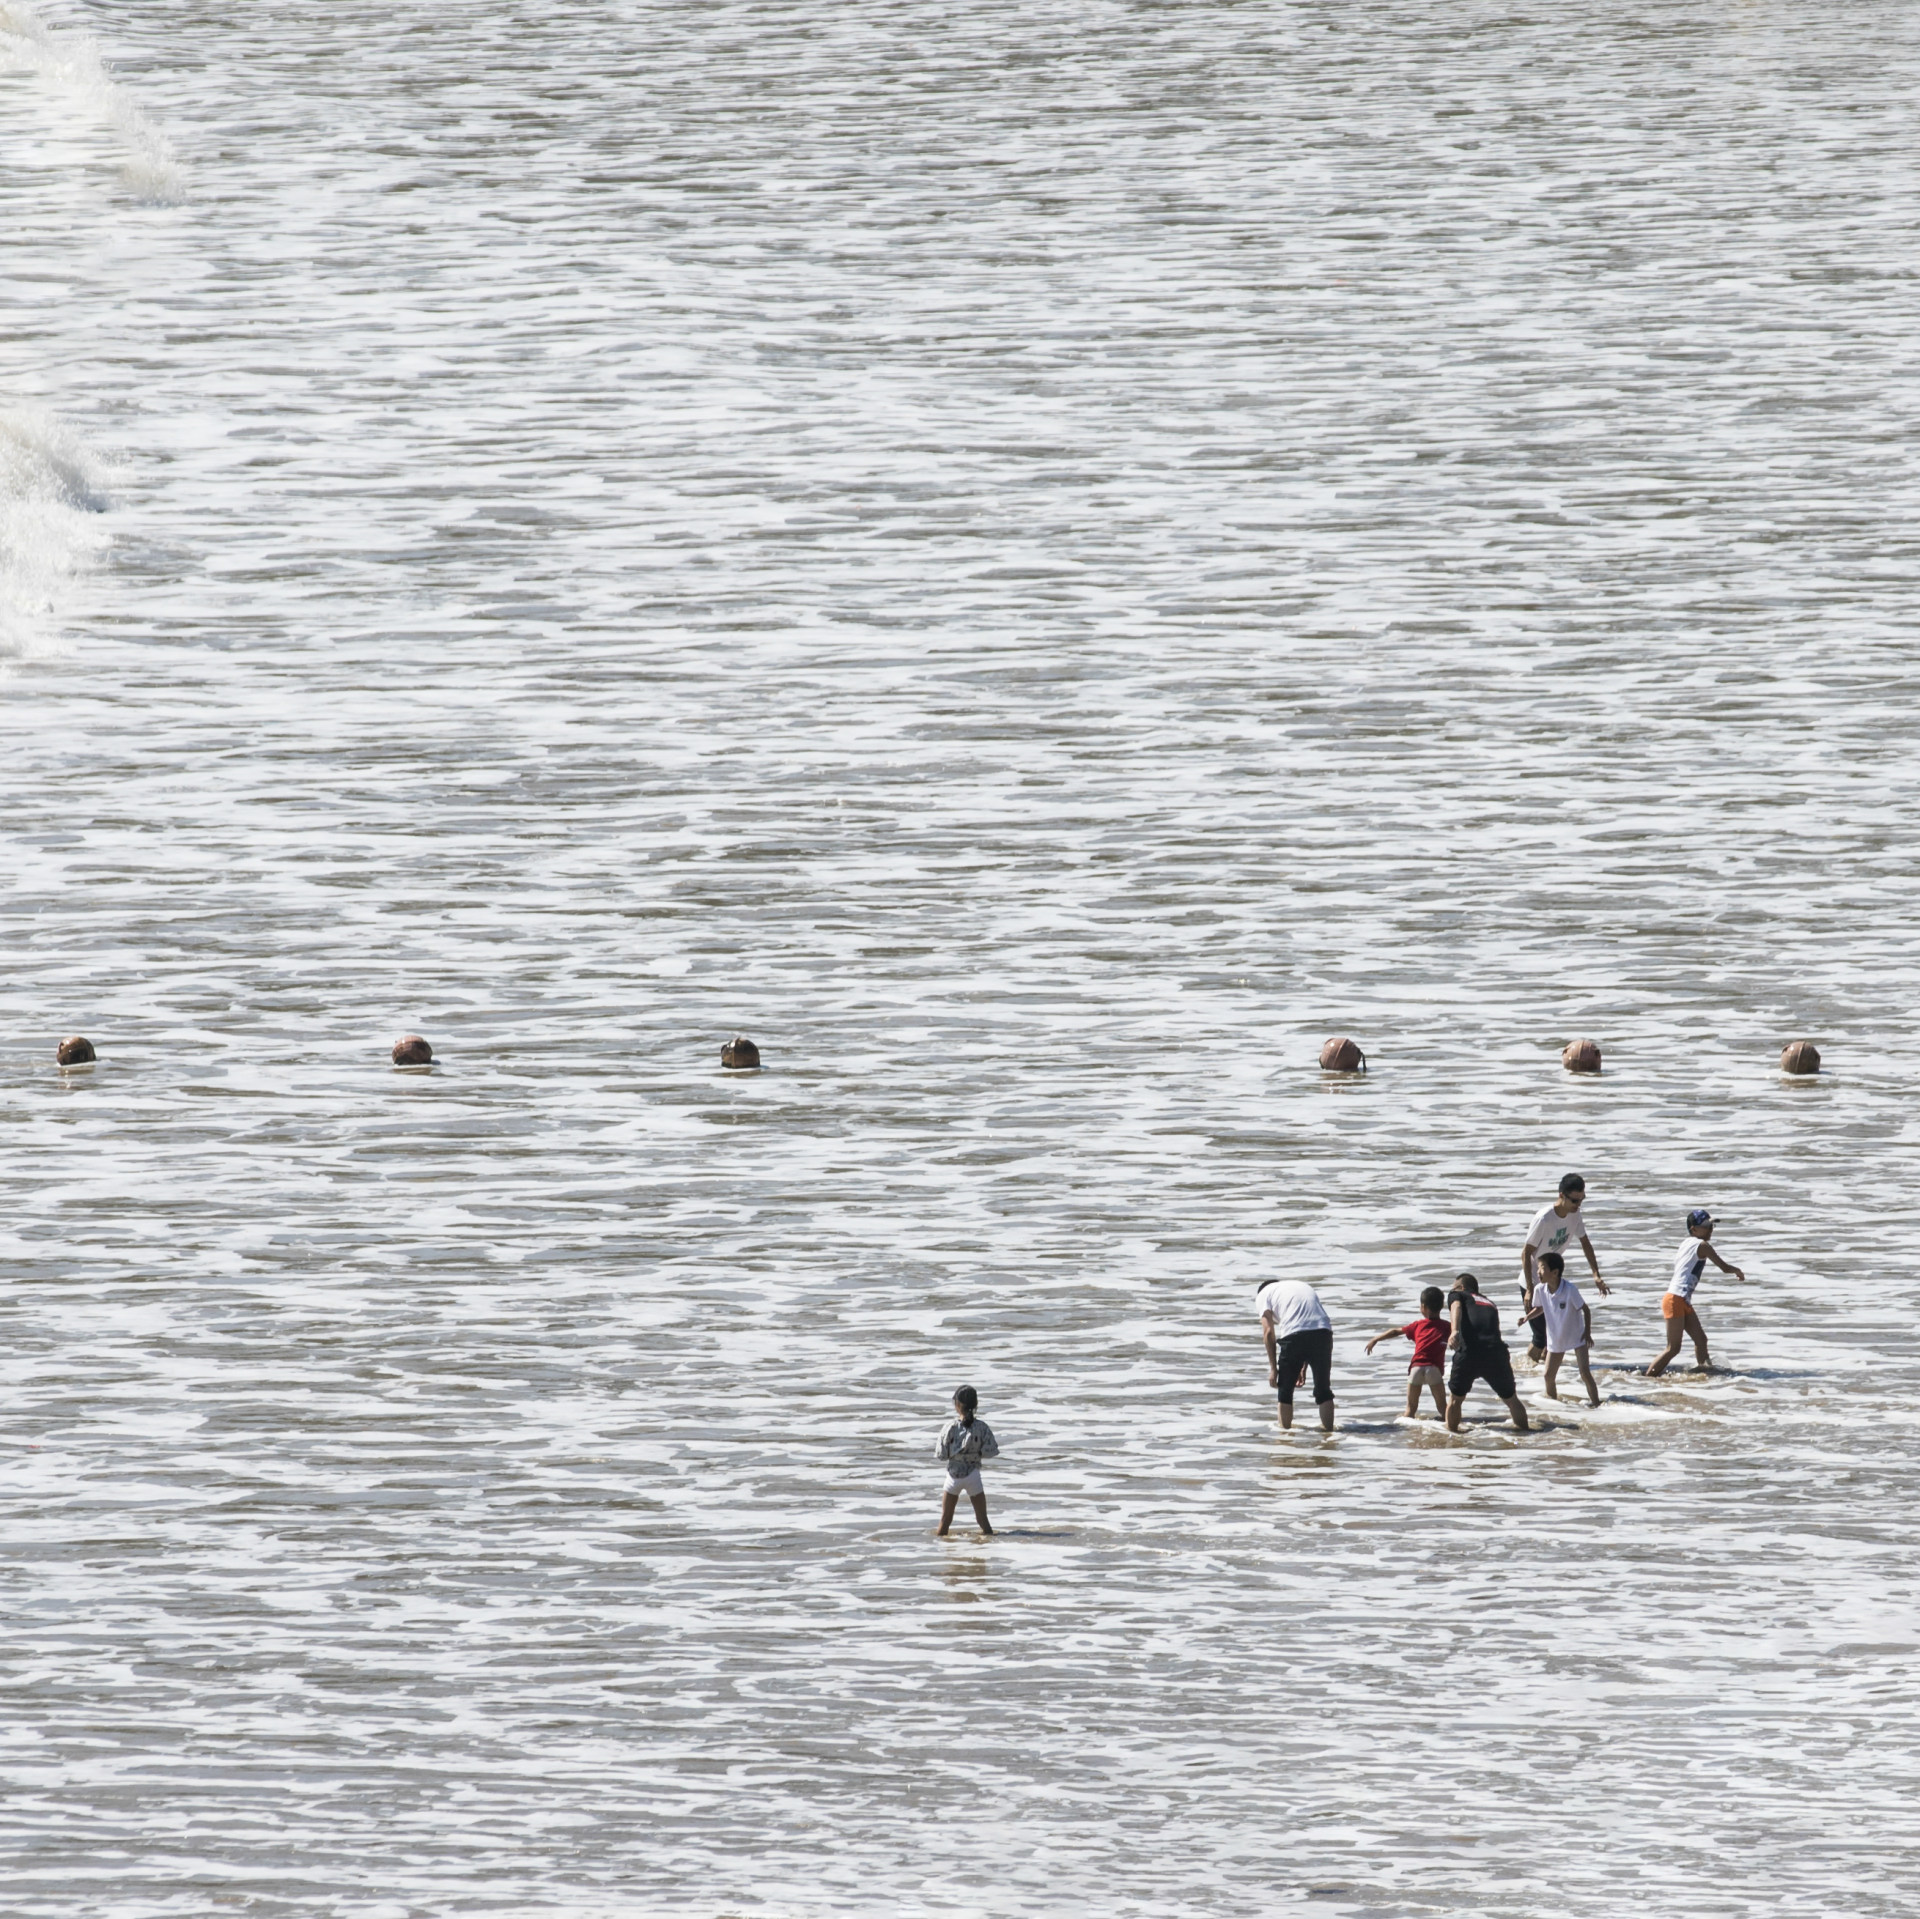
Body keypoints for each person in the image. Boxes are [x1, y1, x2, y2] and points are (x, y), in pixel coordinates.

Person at [1520, 1173, 1608, 1362]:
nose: (1578, 1205)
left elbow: (1585, 1243)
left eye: (1582, 1199)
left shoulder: (1575, 1216)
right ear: (1561, 1195)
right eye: (1575, 1200)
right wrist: (1529, 1288)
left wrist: (1596, 1275)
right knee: (1541, 1338)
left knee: (1554, 1335)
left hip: (1553, 1281)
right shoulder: (1544, 1219)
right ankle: (1525, 1373)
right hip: (1534, 1281)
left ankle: (1542, 1373)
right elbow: (1526, 1253)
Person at [1647, 1208, 1746, 1377]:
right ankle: (1648, 1378)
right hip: (1675, 1299)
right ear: (1694, 1229)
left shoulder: (1686, 1243)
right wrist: (1737, 1271)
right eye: (1707, 1226)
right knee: (1673, 1348)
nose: (1711, 1229)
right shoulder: (1702, 1245)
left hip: (1681, 1299)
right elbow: (1724, 1267)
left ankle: (1705, 1374)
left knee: (1701, 1340)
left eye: (1712, 1226)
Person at [1446, 1273, 1529, 1433]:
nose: (1451, 1291)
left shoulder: (1457, 1294)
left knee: (1455, 1400)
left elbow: (1456, 1306)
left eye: (1453, 1288)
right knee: (1512, 1400)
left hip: (1469, 1352)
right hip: (1496, 1353)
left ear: (1461, 1287)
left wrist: (1454, 1330)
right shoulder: (1490, 1303)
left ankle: (1452, 1439)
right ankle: (1526, 1435)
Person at [1256, 1276, 1336, 1431]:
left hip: (1294, 1336)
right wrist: (1303, 1365)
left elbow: (1268, 1332)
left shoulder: (1263, 1294)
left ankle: (1285, 1437)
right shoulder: (1299, 1286)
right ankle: (1330, 1436)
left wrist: (1273, 1369)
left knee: (1285, 1391)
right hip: (1324, 1333)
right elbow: (1308, 1322)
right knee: (1323, 1390)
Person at [1527, 1251, 1599, 1406]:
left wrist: (1587, 1333)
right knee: (1548, 1376)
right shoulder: (1540, 1289)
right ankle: (1555, 1406)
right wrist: (1527, 1317)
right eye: (1538, 1268)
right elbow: (1539, 1308)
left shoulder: (1569, 1289)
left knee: (1584, 1373)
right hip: (1556, 1337)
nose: (1538, 1272)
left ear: (1555, 1272)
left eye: (1542, 1268)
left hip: (1577, 1336)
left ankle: (1596, 1404)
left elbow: (1585, 1309)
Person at [1365, 1285, 1450, 1418]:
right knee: (1444, 1409)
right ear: (1442, 1306)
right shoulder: (1447, 1326)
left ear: (1423, 1307)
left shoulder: (1417, 1325)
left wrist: (1376, 1339)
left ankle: (1406, 1429)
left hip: (1416, 1369)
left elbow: (1395, 1331)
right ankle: (1452, 1427)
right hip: (1434, 1370)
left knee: (1410, 1410)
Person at [936, 1385, 998, 1536]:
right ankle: (989, 1545)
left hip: (953, 1477)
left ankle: (939, 1547)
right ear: (975, 1405)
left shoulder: (949, 1427)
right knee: (983, 1521)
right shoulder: (982, 1427)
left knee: (945, 1521)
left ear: (957, 1405)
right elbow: (991, 1451)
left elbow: (941, 1455)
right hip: (973, 1476)